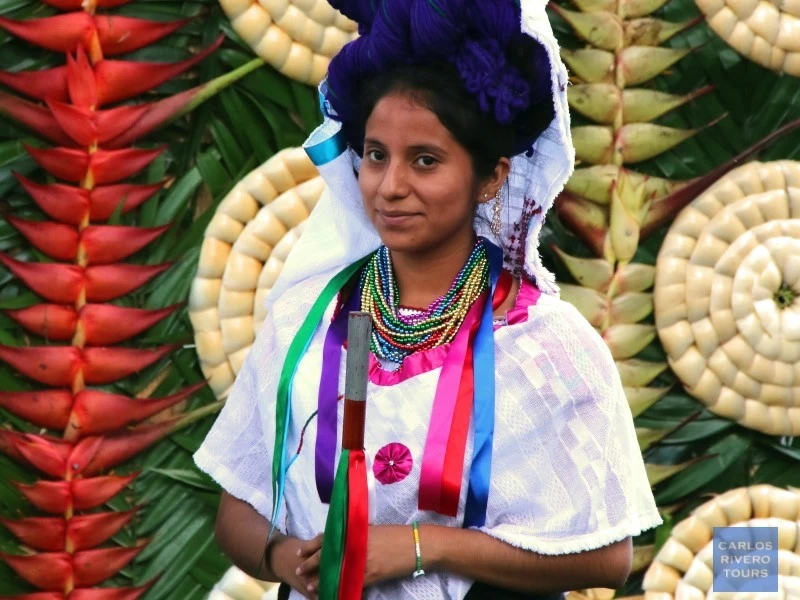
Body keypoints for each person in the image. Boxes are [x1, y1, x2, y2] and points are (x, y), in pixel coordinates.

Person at [194, 1, 663, 599]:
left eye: (425, 161)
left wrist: (421, 547)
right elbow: (238, 510)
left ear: (491, 177)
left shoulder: (545, 345)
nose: (391, 187)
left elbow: (606, 559)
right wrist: (291, 560)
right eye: (375, 155)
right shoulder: (307, 322)